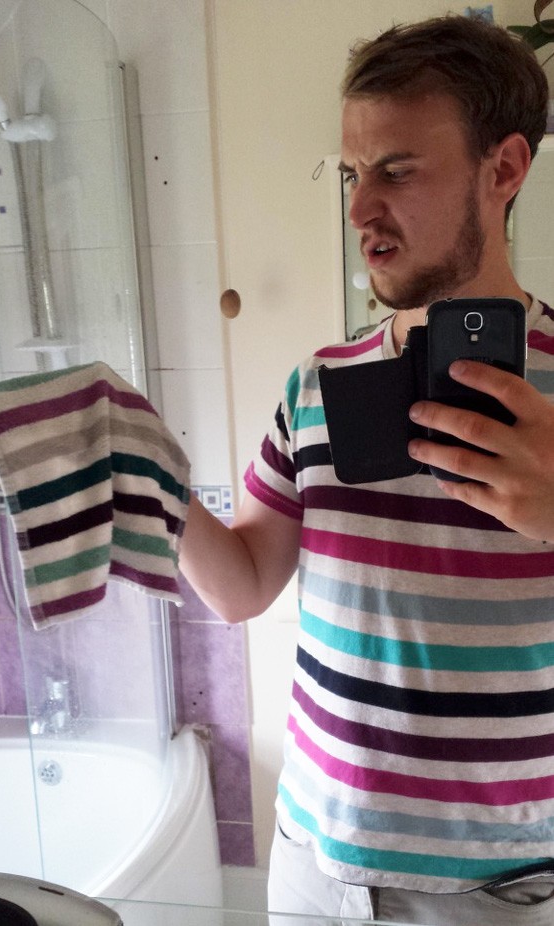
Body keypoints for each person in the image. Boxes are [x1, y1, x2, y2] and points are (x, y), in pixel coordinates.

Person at [180, 13, 554, 925]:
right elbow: (241, 587)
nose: (357, 211)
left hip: (493, 891)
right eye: (352, 174)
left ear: (504, 168)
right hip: (312, 862)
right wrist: (150, 474)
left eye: (395, 170)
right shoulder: (315, 383)